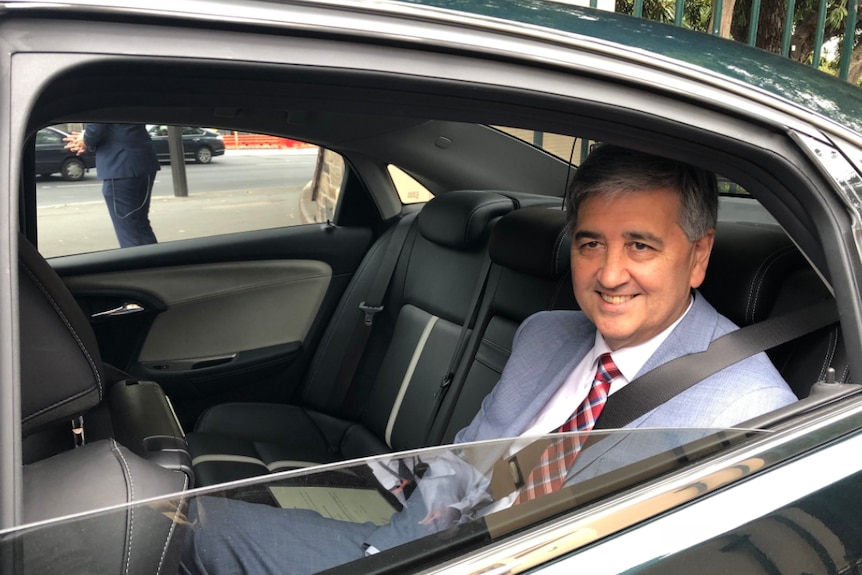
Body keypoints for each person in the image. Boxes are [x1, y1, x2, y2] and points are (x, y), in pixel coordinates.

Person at [180, 144, 797, 575]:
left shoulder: (747, 411)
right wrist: (389, 555)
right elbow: (468, 469)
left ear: (697, 257)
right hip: (426, 553)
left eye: (641, 245)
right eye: (590, 244)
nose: (610, 274)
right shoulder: (547, 336)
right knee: (191, 529)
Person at [64, 124, 160, 247]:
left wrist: (86, 139)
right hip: (142, 159)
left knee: (129, 232)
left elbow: (97, 124)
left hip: (120, 164)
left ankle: (139, 264)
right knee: (140, 225)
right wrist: (86, 138)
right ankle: (156, 263)